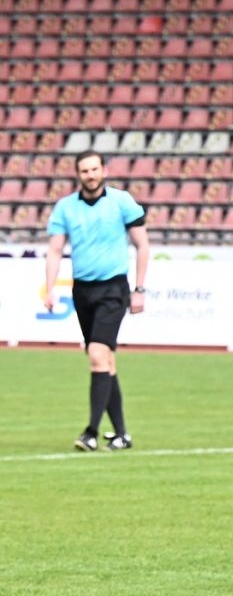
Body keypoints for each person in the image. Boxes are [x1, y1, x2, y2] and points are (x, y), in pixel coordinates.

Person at [43, 151, 148, 451]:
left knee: (97, 355)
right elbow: (54, 250)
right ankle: (122, 434)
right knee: (105, 361)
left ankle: (91, 431)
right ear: (78, 174)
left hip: (113, 288)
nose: (90, 175)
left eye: (94, 169)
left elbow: (142, 245)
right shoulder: (65, 208)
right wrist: (49, 288)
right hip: (83, 290)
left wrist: (139, 289)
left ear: (104, 170)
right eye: (84, 170)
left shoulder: (122, 202)